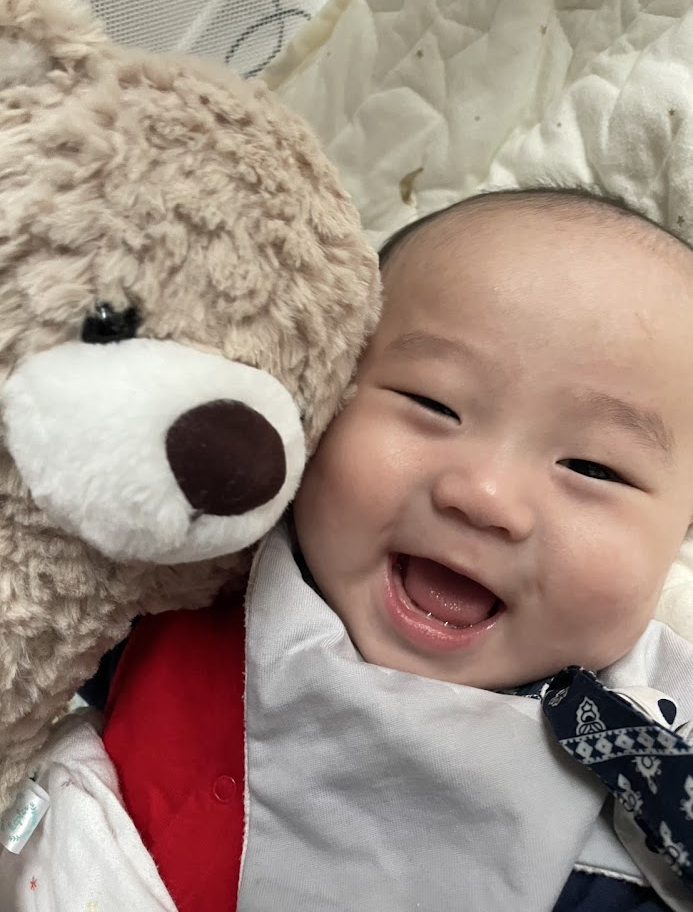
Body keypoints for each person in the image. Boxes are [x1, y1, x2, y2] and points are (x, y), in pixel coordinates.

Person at [5, 187, 693, 911]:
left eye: (592, 468)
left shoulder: (650, 760)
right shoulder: (190, 575)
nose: (484, 495)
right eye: (433, 403)